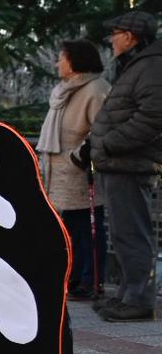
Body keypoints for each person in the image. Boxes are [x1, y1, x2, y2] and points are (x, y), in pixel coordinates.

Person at [86, 11, 162, 322]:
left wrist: (108, 143)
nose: (111, 41)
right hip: (118, 164)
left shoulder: (151, 66)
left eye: (114, 34)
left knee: (133, 234)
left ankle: (139, 299)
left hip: (129, 163)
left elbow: (153, 117)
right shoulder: (138, 65)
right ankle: (127, 295)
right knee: (122, 232)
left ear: (129, 36)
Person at [39, 40, 109, 300]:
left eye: (62, 57)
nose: (57, 63)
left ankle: (91, 281)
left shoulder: (95, 89)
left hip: (81, 170)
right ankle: (75, 277)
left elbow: (102, 128)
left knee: (87, 228)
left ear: (76, 60)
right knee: (69, 229)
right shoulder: (63, 90)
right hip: (59, 172)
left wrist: (81, 154)